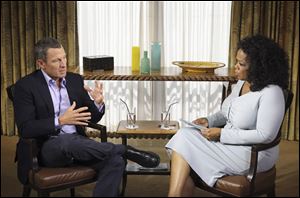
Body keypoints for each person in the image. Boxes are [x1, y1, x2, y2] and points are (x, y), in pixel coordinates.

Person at [13, 37, 160, 197]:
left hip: (79, 145)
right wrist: (60, 121)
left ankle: (121, 153)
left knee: (115, 161)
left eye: (64, 58)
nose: (63, 64)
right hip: (46, 148)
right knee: (66, 140)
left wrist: (97, 103)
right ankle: (124, 150)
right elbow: (26, 128)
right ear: (41, 63)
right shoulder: (26, 86)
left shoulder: (74, 80)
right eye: (56, 61)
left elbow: (92, 118)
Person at [165, 34, 289, 196]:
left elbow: (265, 135)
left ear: (259, 66)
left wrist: (222, 134)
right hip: (229, 146)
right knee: (185, 136)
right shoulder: (241, 84)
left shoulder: (272, 92)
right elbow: (226, 113)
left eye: (241, 64)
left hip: (253, 154)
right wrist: (209, 120)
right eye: (236, 61)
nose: (235, 67)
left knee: (183, 143)